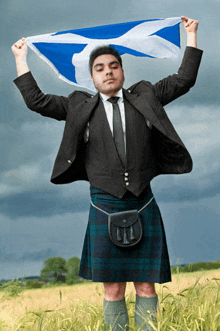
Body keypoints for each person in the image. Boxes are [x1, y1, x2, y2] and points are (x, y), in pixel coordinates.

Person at [12, 16, 202, 331]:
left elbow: (184, 79)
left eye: (113, 66)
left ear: (122, 71)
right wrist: (21, 59)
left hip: (143, 201)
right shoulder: (78, 106)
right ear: (91, 77)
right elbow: (37, 101)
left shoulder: (146, 96)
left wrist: (192, 35)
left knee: (146, 285)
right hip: (104, 204)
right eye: (100, 68)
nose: (108, 72)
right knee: (113, 288)